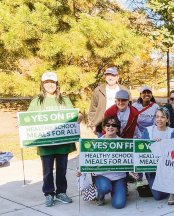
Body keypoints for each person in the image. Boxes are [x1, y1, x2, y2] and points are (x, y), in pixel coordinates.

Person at [28, 71, 76, 207]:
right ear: (42, 84)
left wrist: (78, 118)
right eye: (47, 82)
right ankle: (49, 193)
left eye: (52, 82)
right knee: (47, 171)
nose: (50, 85)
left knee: (62, 169)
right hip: (46, 144)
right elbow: (29, 119)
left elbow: (72, 117)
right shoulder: (37, 101)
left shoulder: (64, 100)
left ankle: (61, 192)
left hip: (62, 143)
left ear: (57, 84)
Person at [140, 107, 174, 203]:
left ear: (167, 119)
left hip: (167, 169)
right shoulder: (148, 131)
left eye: (162, 117)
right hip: (152, 169)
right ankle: (164, 187)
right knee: (158, 196)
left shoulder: (171, 132)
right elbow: (141, 152)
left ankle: (172, 190)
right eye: (157, 117)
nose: (159, 120)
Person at [92, 116, 129, 209]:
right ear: (104, 127)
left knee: (119, 204)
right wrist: (80, 170)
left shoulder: (124, 143)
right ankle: (100, 195)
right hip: (102, 175)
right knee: (105, 187)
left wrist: (135, 171)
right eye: (108, 125)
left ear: (117, 128)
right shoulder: (96, 143)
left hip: (118, 177)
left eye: (114, 125)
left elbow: (130, 161)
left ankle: (116, 189)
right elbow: (87, 159)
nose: (110, 127)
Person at [87, 67, 130, 136]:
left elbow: (129, 107)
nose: (110, 78)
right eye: (108, 75)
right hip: (102, 125)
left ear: (117, 77)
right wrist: (92, 125)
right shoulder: (98, 90)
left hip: (121, 125)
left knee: (120, 146)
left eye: (113, 75)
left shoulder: (125, 90)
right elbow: (93, 109)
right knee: (103, 145)